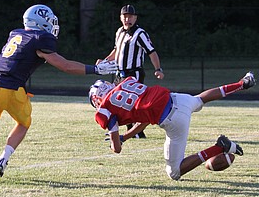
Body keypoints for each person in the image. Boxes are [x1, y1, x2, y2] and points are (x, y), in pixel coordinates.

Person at [0, 4, 118, 183]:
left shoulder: (16, 34)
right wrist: (95, 69)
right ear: (41, 22)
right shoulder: (40, 38)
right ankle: (3, 160)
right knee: (23, 123)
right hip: (13, 91)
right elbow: (64, 65)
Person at [88, 71, 256, 180]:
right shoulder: (126, 84)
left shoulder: (105, 109)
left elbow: (116, 149)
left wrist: (114, 142)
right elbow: (145, 118)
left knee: (174, 172)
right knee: (200, 99)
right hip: (177, 98)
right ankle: (241, 84)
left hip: (173, 120)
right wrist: (126, 136)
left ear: (96, 100)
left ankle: (219, 148)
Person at [97, 4, 164, 138]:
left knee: (133, 103)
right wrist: (104, 61)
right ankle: (122, 131)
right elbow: (117, 50)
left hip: (133, 73)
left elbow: (151, 52)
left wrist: (158, 69)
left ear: (135, 18)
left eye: (130, 16)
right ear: (121, 18)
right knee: (116, 101)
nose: (128, 19)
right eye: (125, 16)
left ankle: (137, 132)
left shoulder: (140, 34)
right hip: (119, 73)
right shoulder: (119, 32)